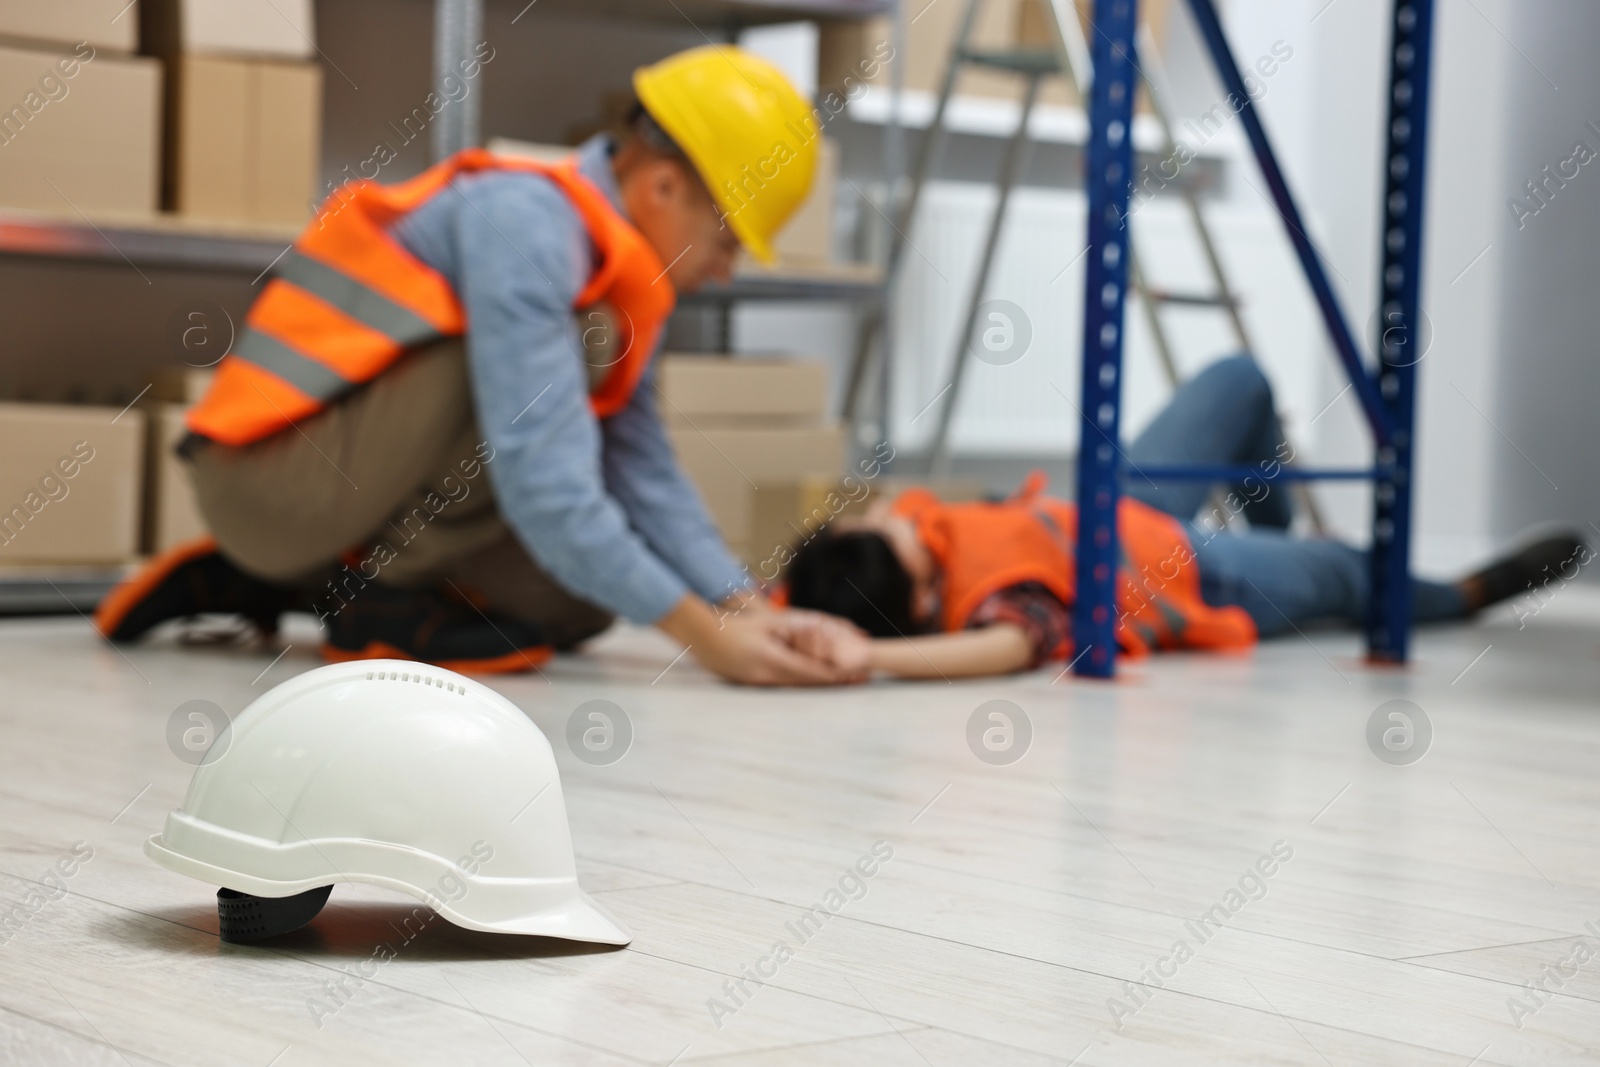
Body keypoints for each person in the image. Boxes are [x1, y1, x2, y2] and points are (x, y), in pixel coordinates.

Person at [95, 46, 856, 686]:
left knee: (581, 599)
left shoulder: (616, 273)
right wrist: (708, 640)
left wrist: (740, 604)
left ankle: (294, 580)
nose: (724, 272)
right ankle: (370, 595)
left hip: (342, 492)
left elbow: (642, 469)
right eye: (727, 243)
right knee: (585, 354)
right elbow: (545, 485)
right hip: (265, 482)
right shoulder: (526, 224)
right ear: (662, 188)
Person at [784, 355, 1587, 679]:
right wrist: (874, 660)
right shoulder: (988, 607)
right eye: (895, 537)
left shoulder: (868, 560)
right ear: (922, 604)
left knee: (1239, 381)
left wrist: (783, 610)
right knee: (1346, 572)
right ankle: (1461, 591)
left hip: (1117, 499)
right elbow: (1008, 647)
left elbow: (782, 584)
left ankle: (1281, 547)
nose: (899, 515)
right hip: (1190, 566)